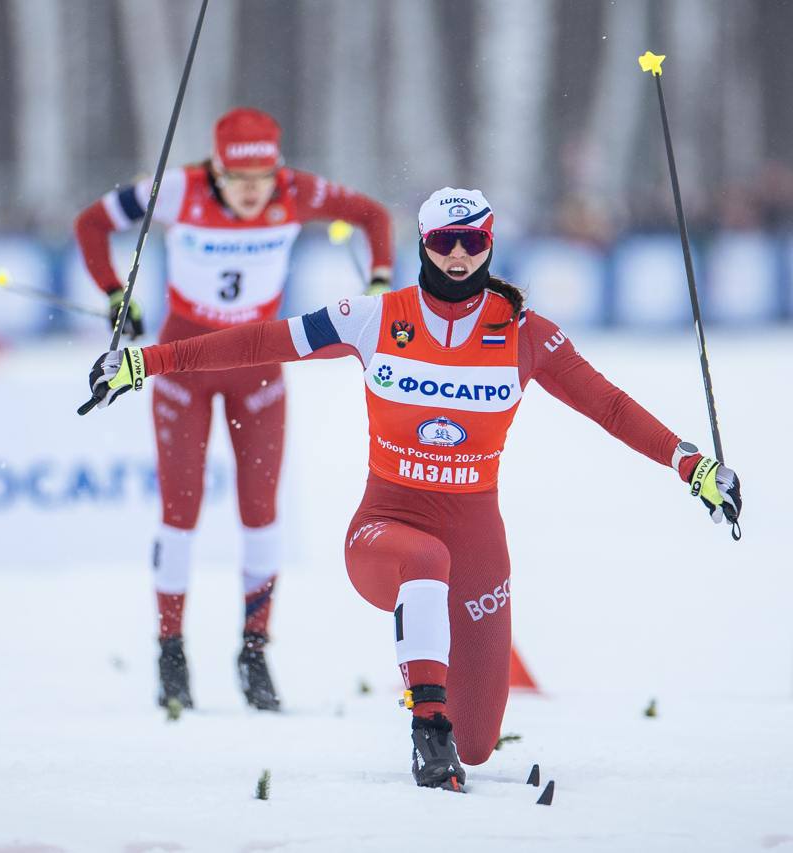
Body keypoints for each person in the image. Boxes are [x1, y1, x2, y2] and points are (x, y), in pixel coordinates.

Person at [85, 188, 742, 789]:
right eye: (443, 242)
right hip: (384, 529)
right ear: (422, 244)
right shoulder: (375, 318)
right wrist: (146, 361)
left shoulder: (524, 333)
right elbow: (262, 341)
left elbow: (612, 406)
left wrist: (691, 464)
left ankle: (450, 724)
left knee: (481, 744)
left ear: (490, 245)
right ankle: (427, 730)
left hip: (478, 537)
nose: (458, 256)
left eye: (473, 242)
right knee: (425, 565)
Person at [75, 107, 395, 712]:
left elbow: (373, 216)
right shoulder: (175, 190)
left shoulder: (298, 189)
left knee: (260, 511)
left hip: (257, 367)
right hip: (182, 366)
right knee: (181, 510)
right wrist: (116, 293)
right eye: (239, 181)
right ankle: (170, 651)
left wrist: (379, 282)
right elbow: (91, 224)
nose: (252, 194)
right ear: (216, 171)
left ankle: (254, 650)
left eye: (262, 180)